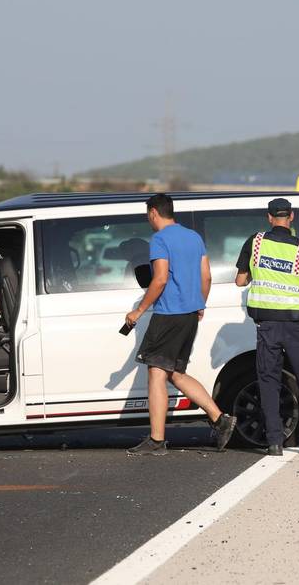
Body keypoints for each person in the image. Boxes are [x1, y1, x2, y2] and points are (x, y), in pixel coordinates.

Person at [124, 193, 237, 455]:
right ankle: (220, 419)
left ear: (153, 212)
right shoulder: (193, 237)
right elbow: (206, 277)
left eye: (148, 215)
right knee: (175, 373)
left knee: (156, 373)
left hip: (168, 314)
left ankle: (156, 440)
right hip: (188, 314)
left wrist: (139, 311)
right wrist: (199, 304)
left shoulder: (160, 240)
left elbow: (160, 279)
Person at [235, 198, 299, 456]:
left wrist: (258, 272)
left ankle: (274, 442)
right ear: (292, 217)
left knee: (268, 382)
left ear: (269, 217)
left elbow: (240, 281)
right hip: (296, 326)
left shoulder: (256, 242)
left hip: (268, 326)